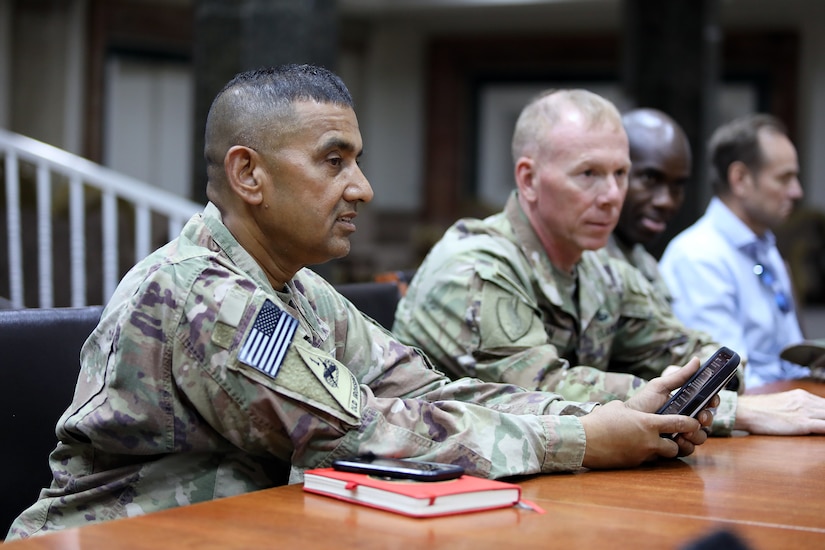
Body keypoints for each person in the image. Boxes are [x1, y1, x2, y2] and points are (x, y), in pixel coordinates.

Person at [6, 66, 715, 541]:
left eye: (358, 160)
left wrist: (600, 418)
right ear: (247, 174)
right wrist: (586, 442)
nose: (363, 188)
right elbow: (358, 434)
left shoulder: (294, 286)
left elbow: (428, 393)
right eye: (333, 160)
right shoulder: (209, 297)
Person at [393, 90, 825, 438]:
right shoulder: (475, 267)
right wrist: (736, 409)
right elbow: (542, 394)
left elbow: (681, 349)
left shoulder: (599, 268)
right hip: (449, 488)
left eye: (620, 173)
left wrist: (718, 375)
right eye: (589, 174)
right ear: (528, 179)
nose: (612, 195)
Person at [659, 114, 811, 388]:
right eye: (784, 178)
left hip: (794, 401)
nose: (796, 191)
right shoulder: (697, 256)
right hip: (756, 418)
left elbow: (790, 358)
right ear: (740, 179)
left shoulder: (765, 245)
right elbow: (727, 382)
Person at [604, 108, 693, 304]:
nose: (666, 201)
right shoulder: (582, 261)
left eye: (677, 186)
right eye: (650, 179)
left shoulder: (646, 265)